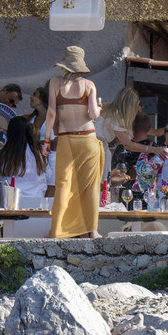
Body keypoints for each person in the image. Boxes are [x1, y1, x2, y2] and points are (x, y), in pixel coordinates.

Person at [43, 46, 103, 239]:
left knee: (62, 185)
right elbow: (93, 114)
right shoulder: (89, 85)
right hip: (87, 138)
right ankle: (92, 231)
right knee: (90, 186)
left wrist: (46, 140)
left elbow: (51, 113)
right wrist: (99, 110)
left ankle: (57, 230)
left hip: (65, 139)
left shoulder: (55, 83)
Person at [95, 87, 155, 202]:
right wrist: (152, 149)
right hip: (97, 152)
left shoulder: (107, 109)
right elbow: (128, 145)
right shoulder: (116, 116)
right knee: (100, 186)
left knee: (100, 185)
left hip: (96, 150)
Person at [0, 115, 49, 210]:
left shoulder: (7, 152)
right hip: (37, 202)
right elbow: (48, 175)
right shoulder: (39, 152)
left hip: (13, 203)